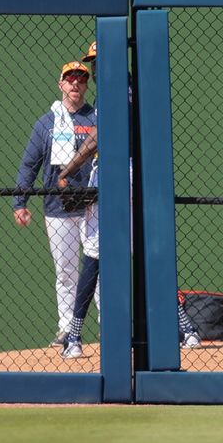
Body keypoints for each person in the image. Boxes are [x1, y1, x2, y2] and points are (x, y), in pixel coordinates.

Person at [57, 42, 201, 359]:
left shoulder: (114, 89)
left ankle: (74, 337)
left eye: (98, 60)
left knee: (94, 258)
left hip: (115, 174)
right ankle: (185, 328)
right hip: (139, 176)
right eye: (92, 62)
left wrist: (67, 171)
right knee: (149, 254)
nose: (94, 68)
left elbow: (97, 139)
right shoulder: (133, 83)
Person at [13, 60, 97, 348]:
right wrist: (19, 202)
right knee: (66, 271)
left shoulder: (98, 118)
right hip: (57, 208)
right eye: (70, 78)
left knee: (99, 270)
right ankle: (67, 329)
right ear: (60, 84)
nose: (76, 83)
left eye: (82, 79)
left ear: (87, 85)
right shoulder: (46, 123)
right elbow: (29, 164)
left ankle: (111, 328)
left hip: (92, 207)